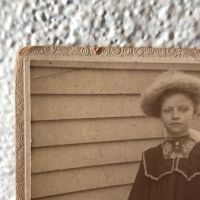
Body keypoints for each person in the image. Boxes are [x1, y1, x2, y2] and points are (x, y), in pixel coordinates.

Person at [128, 70, 200, 200]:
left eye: (183, 109)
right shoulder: (150, 158)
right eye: (168, 110)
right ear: (159, 115)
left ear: (195, 112)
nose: (176, 116)